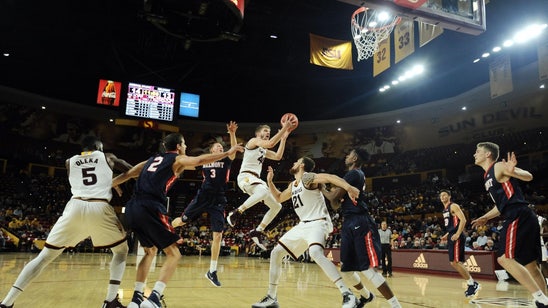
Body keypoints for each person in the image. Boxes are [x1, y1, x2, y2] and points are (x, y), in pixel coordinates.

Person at [111, 132, 243, 308]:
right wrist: (227, 152)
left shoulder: (150, 160)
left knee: (149, 251)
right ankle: (154, 298)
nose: (186, 147)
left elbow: (127, 174)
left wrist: (109, 186)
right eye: (185, 144)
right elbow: (198, 161)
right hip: (151, 206)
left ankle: (136, 299)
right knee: (174, 255)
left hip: (133, 207)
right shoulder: (177, 159)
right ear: (179, 146)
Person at [0, 136, 133, 308]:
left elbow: (90, 174)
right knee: (121, 251)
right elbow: (131, 170)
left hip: (75, 207)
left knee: (44, 257)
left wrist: (108, 180)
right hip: (99, 206)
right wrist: (115, 181)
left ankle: (7, 302)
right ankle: (110, 301)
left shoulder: (69, 162)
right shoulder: (108, 157)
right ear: (98, 148)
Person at [251, 157, 362, 308]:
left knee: (315, 252)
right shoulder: (293, 184)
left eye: (296, 161)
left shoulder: (307, 177)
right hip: (303, 225)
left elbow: (331, 177)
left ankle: (347, 294)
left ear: (302, 165)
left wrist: (349, 188)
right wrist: (270, 182)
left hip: (318, 222)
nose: (293, 163)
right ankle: (271, 297)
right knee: (276, 253)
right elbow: (278, 198)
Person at [471, 142, 548, 308]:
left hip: (517, 214)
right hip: (522, 214)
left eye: (477, 151)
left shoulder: (498, 166)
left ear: (487, 155)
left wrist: (515, 172)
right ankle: (545, 301)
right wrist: (485, 217)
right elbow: (500, 206)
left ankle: (540, 298)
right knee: (531, 266)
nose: (474, 154)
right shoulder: (487, 177)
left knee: (504, 259)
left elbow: (529, 176)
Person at [322, 148, 402, 308]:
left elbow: (334, 198)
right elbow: (336, 203)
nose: (346, 155)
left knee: (367, 270)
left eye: (349, 154)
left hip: (360, 221)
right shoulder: (355, 175)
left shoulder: (353, 174)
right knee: (347, 271)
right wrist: (333, 195)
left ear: (355, 158)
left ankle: (396, 306)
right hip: (349, 222)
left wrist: (322, 188)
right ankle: (366, 296)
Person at [171, 121, 239, 287]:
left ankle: (212, 271)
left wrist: (231, 134)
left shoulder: (226, 160)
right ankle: (164, 231)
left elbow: (233, 151)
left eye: (221, 148)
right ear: (211, 151)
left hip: (218, 199)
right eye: (217, 147)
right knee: (181, 220)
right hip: (202, 197)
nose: (220, 149)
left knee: (218, 235)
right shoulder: (204, 160)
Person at [226, 120, 294, 249]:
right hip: (246, 176)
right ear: (258, 134)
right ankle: (236, 212)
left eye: (269, 131)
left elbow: (278, 156)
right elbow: (271, 143)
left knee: (276, 206)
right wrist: (285, 127)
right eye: (265, 131)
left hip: (255, 180)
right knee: (263, 191)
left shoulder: (263, 149)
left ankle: (257, 231)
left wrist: (284, 139)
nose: (268, 133)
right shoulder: (253, 141)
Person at [439, 189, 480, 297]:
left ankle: (472, 284)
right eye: (441, 196)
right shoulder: (444, 210)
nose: (442, 197)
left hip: (456, 236)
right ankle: (472, 283)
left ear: (449, 196)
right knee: (454, 262)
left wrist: (457, 234)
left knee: (456, 262)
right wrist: (446, 235)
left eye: (444, 195)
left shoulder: (453, 206)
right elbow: (453, 225)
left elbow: (463, 220)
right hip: (452, 235)